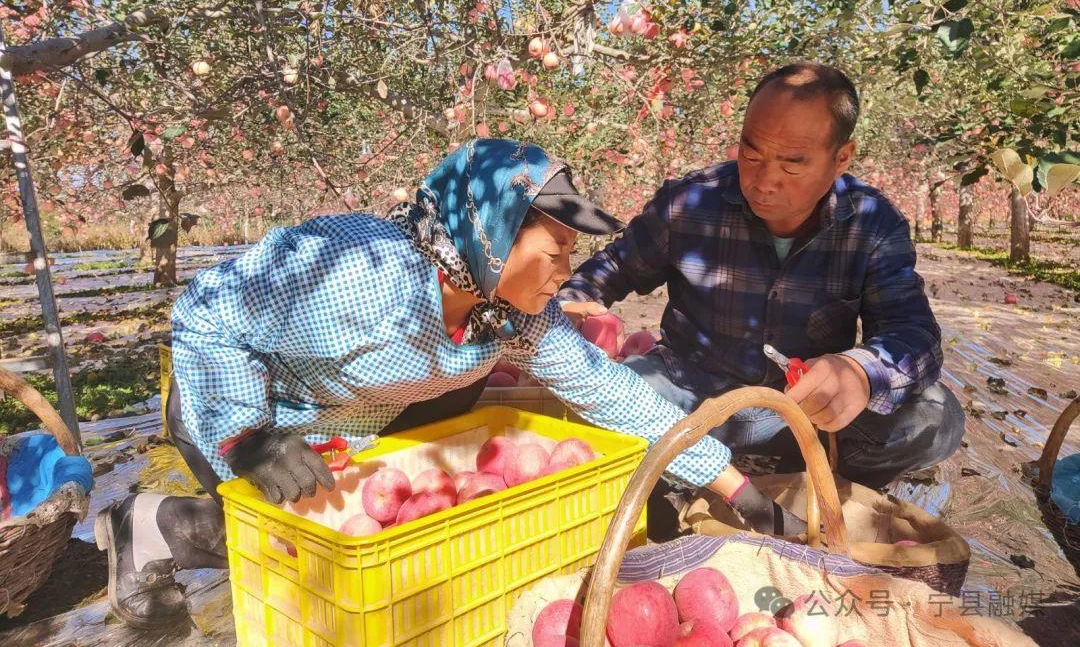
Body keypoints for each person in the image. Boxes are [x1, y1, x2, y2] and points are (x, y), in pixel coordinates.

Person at [94, 138, 793, 629]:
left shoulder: (509, 314)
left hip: (342, 419)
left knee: (382, 539)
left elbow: (612, 392)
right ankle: (149, 525)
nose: (565, 271)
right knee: (297, 547)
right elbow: (207, 312)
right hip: (241, 408)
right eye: (555, 249)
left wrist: (737, 490)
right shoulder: (363, 275)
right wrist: (248, 436)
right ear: (492, 232)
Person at [559, 63, 965, 539]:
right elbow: (611, 269)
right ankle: (687, 475)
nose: (765, 180)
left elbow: (913, 334)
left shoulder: (871, 223)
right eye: (751, 153)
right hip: (691, 400)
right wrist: (571, 304)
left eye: (792, 164)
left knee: (935, 417)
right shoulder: (690, 204)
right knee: (592, 405)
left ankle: (819, 481)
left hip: (807, 419)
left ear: (841, 158)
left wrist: (860, 372)